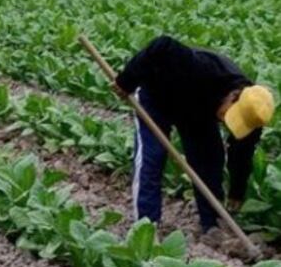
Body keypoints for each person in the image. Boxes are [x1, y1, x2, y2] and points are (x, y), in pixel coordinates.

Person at [113, 35, 275, 243]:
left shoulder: (254, 114)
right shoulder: (201, 69)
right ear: (234, 96)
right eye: (228, 116)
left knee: (210, 161)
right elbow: (161, 45)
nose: (227, 123)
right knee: (152, 157)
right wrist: (126, 80)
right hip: (157, 96)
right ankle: (146, 228)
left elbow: (241, 155)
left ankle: (211, 225)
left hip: (197, 110)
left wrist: (237, 191)